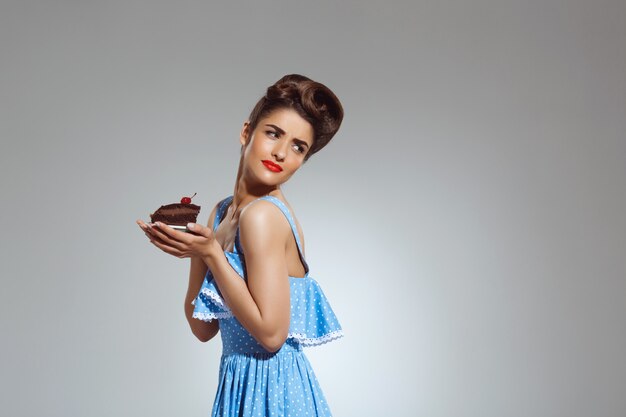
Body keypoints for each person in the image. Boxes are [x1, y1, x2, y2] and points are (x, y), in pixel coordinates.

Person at [136, 74, 344, 417]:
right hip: (239, 385)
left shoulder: (262, 216)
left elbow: (272, 335)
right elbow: (202, 328)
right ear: (247, 132)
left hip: (275, 392)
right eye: (274, 133)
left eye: (298, 147)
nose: (280, 152)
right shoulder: (223, 211)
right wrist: (199, 252)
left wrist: (212, 254)